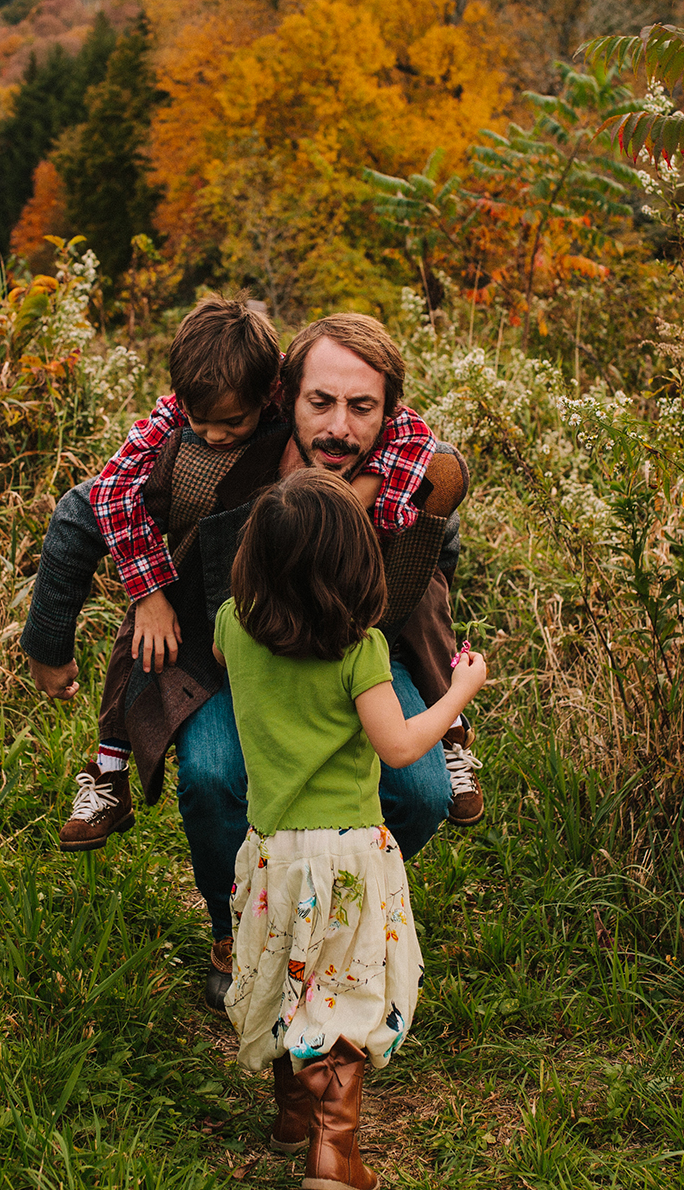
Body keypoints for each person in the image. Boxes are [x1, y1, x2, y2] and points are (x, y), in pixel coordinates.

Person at [22, 312, 477, 1012]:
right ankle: (234, 927)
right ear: (284, 394)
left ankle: (334, 908)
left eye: (361, 407)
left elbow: (434, 546)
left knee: (421, 795)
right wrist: (50, 643)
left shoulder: (406, 465)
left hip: (356, 656)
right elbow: (81, 514)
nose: (339, 427)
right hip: (228, 655)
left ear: (387, 411)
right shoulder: (214, 453)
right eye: (320, 402)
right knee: (211, 776)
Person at [214, 470, 487, 1189]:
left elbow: (230, 656)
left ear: (253, 561)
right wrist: (458, 690)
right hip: (349, 855)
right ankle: (333, 1152)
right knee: (344, 989)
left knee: (282, 978)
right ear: (356, 568)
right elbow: (399, 747)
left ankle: (291, 1115)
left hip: (273, 852)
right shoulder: (360, 649)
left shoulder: (231, 630)